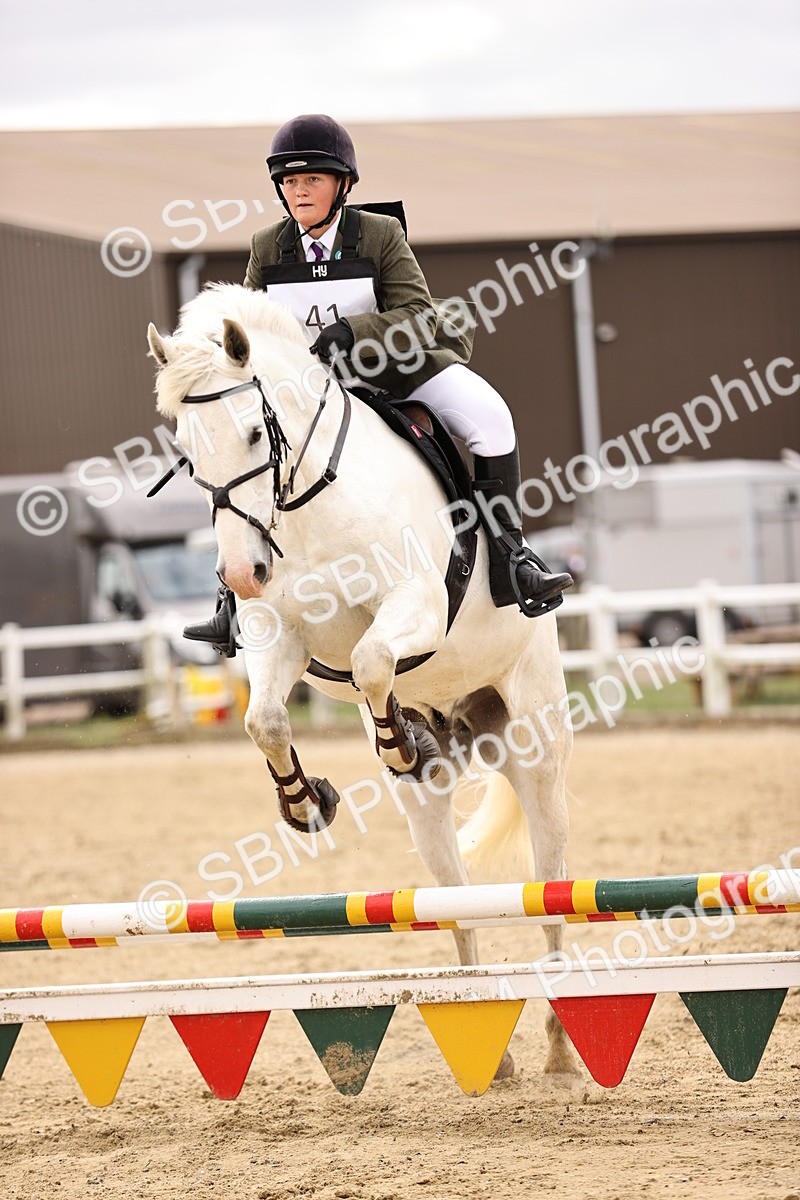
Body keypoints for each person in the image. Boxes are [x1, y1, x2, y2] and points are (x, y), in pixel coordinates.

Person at [185, 114, 571, 651]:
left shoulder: (380, 234)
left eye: (312, 180)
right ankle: (231, 599)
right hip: (311, 393)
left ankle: (511, 557)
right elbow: (245, 323)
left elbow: (418, 314)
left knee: (491, 416)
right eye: (291, 181)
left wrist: (355, 331)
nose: (299, 191)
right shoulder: (268, 246)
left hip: (393, 374)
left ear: (343, 184)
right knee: (237, 445)